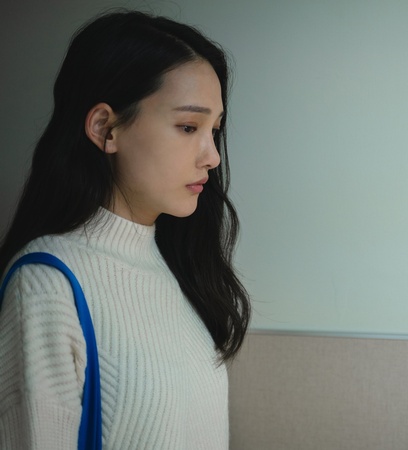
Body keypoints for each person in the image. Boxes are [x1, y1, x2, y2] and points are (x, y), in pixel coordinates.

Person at [0, 10, 251, 448]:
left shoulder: (180, 268)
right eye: (188, 126)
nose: (212, 156)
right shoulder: (47, 284)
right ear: (105, 128)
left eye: (214, 129)